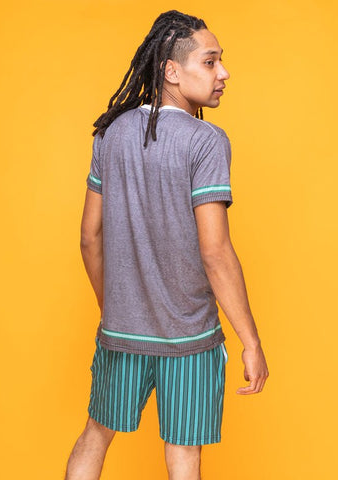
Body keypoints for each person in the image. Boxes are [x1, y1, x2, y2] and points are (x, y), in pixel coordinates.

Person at [65, 9, 269, 480]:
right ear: (172, 71)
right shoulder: (206, 141)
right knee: (183, 454)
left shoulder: (110, 133)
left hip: (121, 331)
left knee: (96, 434)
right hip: (190, 337)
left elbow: (89, 236)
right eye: (210, 62)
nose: (223, 73)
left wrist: (115, 308)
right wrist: (251, 341)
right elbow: (215, 252)